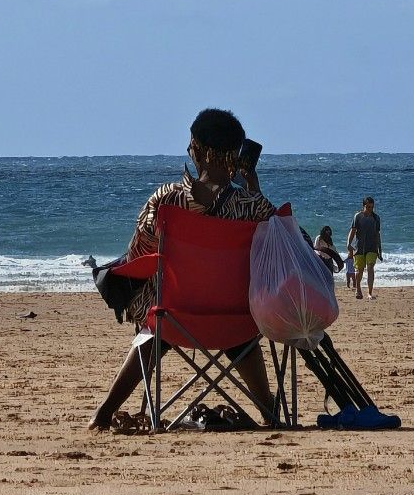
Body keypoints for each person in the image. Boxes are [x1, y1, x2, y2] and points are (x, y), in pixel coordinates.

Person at [89, 108, 277, 431]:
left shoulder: (167, 201)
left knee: (152, 312)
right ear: (236, 156)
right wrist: (254, 192)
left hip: (175, 319)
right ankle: (270, 411)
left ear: (197, 149)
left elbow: (140, 253)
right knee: (237, 331)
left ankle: (106, 412)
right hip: (238, 320)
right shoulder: (254, 207)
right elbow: (288, 241)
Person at [346, 197, 383, 301]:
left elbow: (377, 235)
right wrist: (349, 244)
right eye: (367, 207)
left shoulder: (376, 218)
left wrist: (380, 250)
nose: (370, 209)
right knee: (359, 270)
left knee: (370, 268)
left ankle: (370, 293)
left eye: (371, 207)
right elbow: (352, 231)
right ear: (363, 206)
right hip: (359, 247)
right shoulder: (357, 216)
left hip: (372, 247)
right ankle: (358, 289)